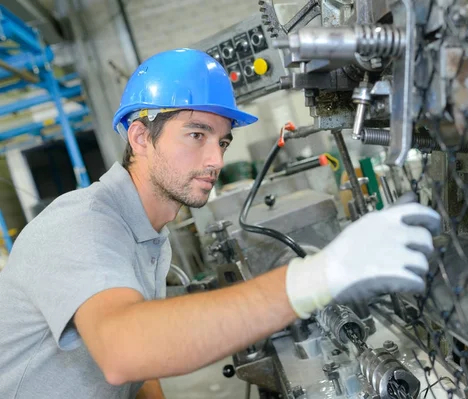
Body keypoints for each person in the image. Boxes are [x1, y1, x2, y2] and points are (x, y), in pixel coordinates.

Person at [0, 48, 440, 398]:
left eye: (222, 141)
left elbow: (138, 371)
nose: (216, 160)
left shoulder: (151, 237)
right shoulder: (80, 225)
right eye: (196, 134)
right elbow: (123, 351)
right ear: (139, 137)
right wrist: (319, 276)